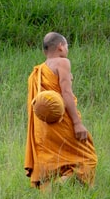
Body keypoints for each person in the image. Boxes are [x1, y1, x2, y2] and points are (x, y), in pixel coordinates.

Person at [25, 33, 99, 188]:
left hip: (44, 126)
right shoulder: (63, 62)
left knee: (57, 160)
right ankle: (60, 186)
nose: (67, 49)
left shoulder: (37, 72)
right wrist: (77, 123)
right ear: (60, 46)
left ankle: (51, 191)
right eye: (67, 46)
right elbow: (66, 93)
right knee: (88, 158)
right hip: (62, 121)